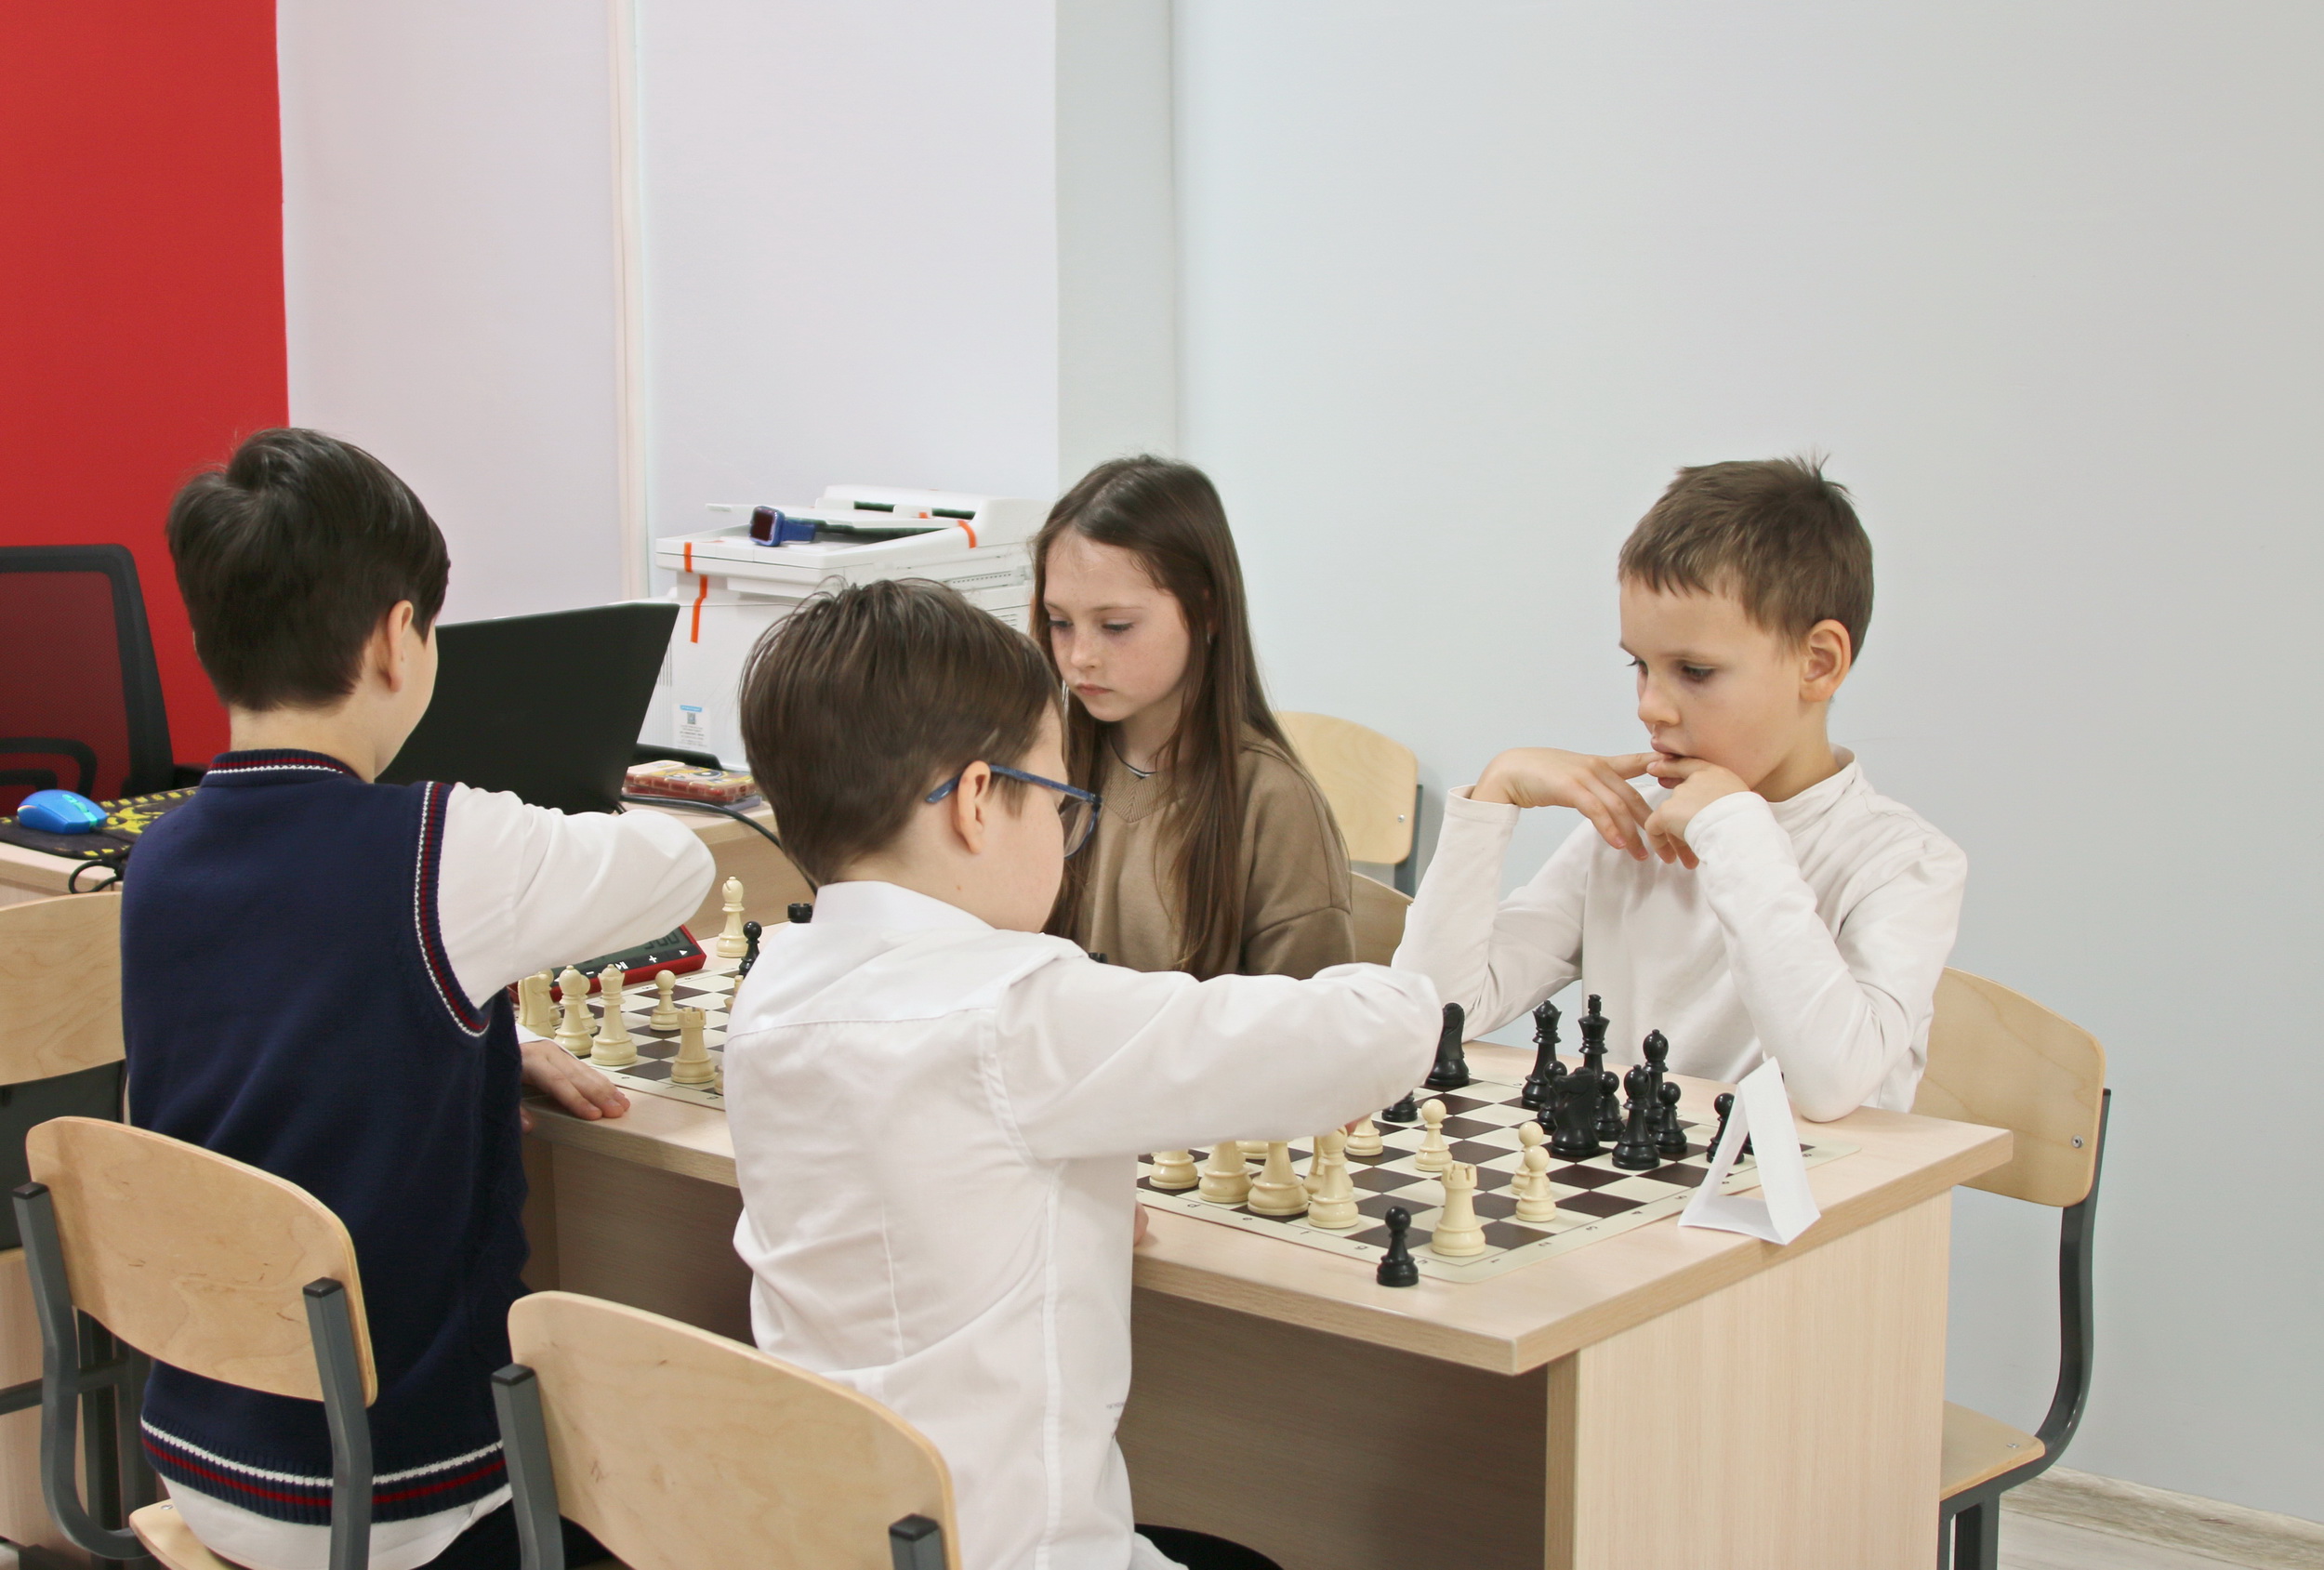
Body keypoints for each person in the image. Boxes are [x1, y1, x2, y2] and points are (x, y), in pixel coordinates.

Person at [720, 579, 1437, 1570]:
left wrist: (1072, 1203)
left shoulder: (771, 995)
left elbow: (920, 1194)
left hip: (832, 1541)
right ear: (979, 802)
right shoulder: (1018, 1008)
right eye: (1062, 802)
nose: (1064, 834)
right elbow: (1372, 1038)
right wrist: (1433, 967)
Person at [124, 429, 715, 1570]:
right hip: (401, 1490)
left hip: (203, 1452)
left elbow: (289, 1037)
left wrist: (480, 1039)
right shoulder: (440, 848)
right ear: (399, 637)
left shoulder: (161, 858)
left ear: (205, 639)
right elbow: (677, 866)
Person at [1393, 457, 1966, 1122]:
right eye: (1640, 665)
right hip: (1633, 1183)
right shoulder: (1628, 834)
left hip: (1820, 1189)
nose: (1650, 706)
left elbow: (1829, 1086)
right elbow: (1433, 1015)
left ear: (1817, 663)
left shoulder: (1903, 863)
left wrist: (1735, 830)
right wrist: (1489, 804)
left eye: (1695, 671)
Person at [1035, 457, 1353, 979]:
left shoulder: (1272, 801)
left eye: (1116, 626)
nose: (1080, 656)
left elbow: (1307, 1018)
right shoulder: (1046, 768)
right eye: (1060, 623)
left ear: (1207, 611)